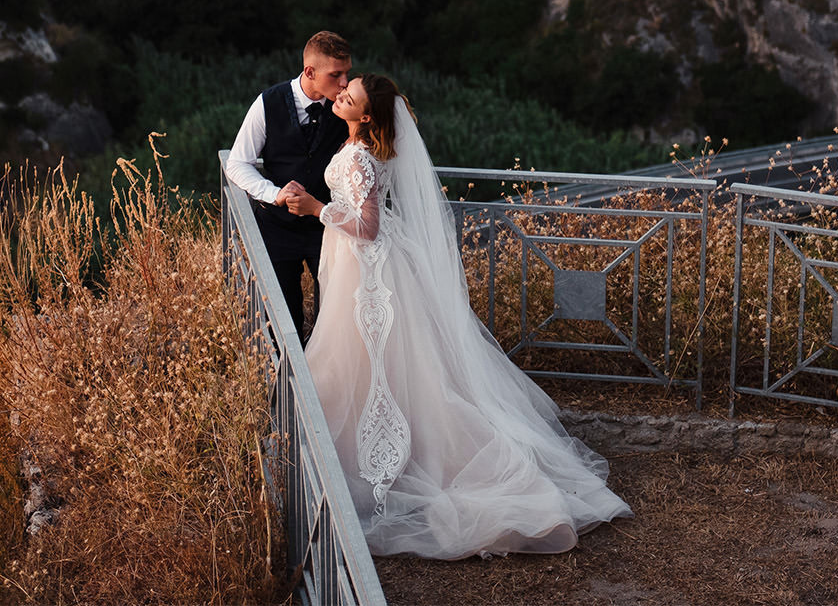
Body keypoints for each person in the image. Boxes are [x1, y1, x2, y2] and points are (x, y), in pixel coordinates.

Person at [280, 73, 631, 558]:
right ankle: (352, 459)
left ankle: (369, 466)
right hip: (359, 267)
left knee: (366, 364)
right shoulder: (358, 146)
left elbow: (367, 225)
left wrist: (315, 207)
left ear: (365, 115)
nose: (340, 95)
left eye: (351, 95)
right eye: (346, 89)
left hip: (369, 275)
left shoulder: (359, 154)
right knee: (368, 367)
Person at [222, 30, 353, 339]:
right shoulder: (268, 103)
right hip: (278, 229)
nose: (345, 82)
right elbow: (237, 163)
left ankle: (327, 385)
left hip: (329, 228)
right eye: (336, 74)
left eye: (347, 73)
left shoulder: (347, 106)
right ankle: (284, 387)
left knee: (337, 320)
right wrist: (275, 194)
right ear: (310, 72)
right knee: (282, 323)